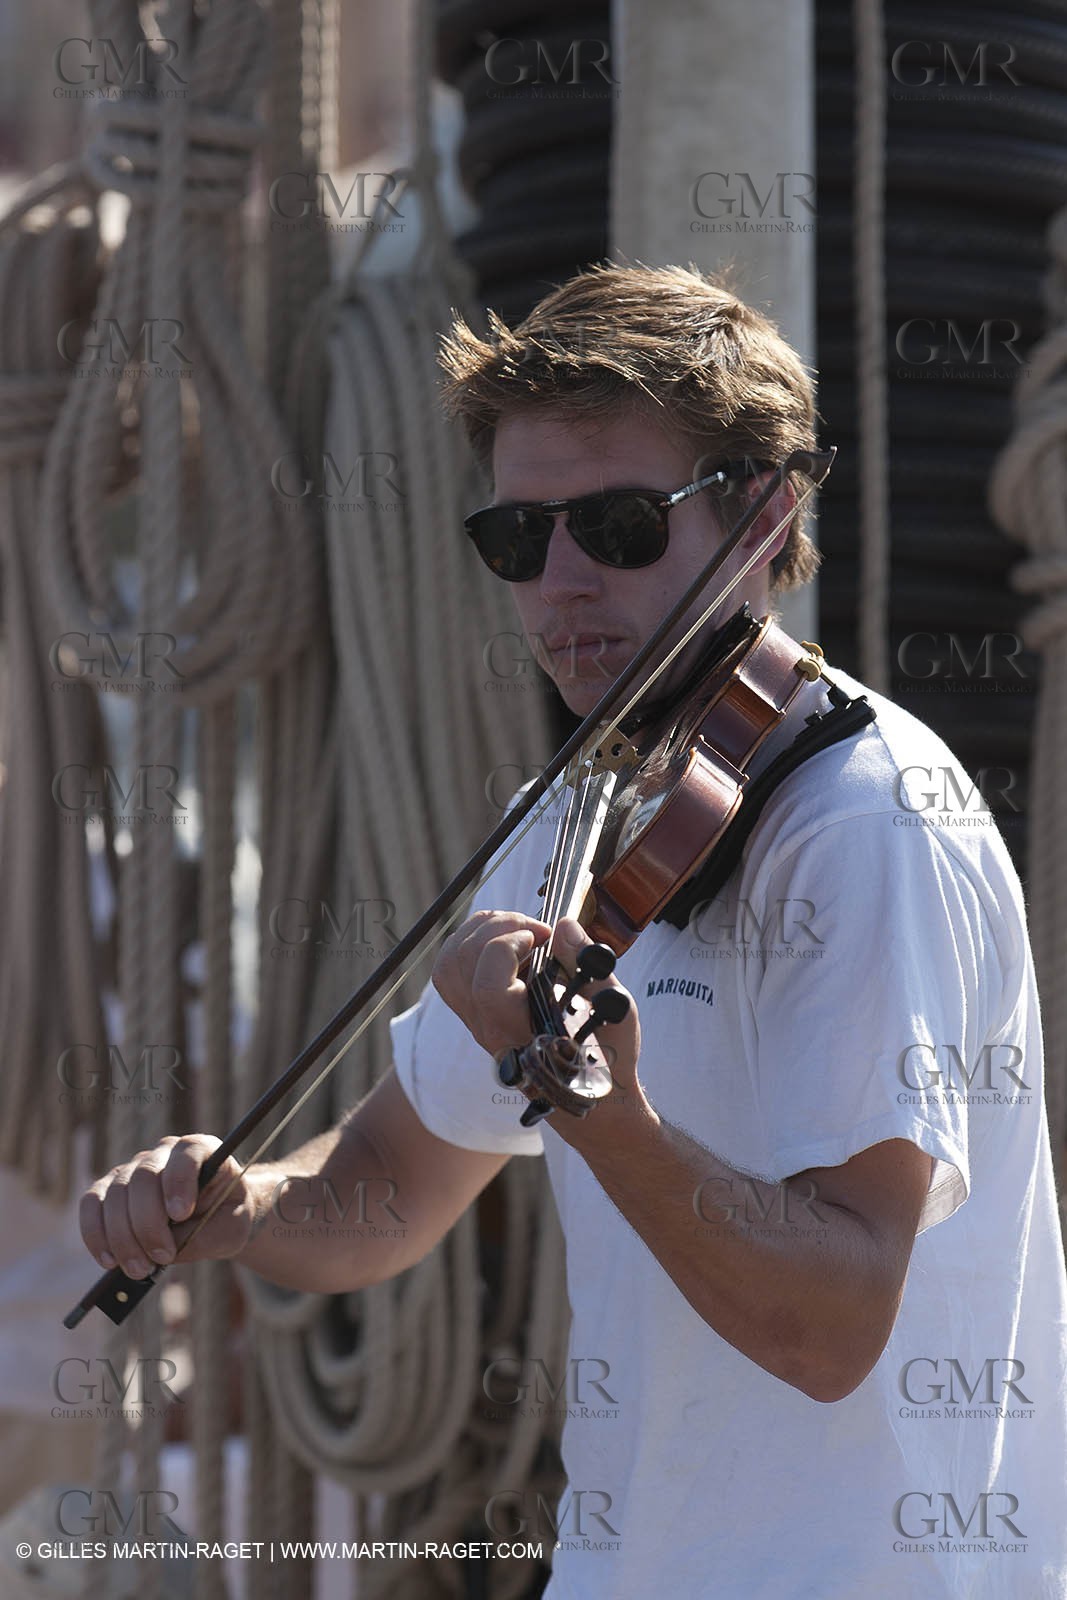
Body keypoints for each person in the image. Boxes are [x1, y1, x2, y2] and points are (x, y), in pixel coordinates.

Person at [80, 265, 1067, 1598]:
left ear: (766, 513)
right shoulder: (581, 810)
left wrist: (593, 1103)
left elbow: (832, 1321)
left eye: (613, 526)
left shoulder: (869, 823)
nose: (557, 587)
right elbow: (389, 1186)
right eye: (515, 541)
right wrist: (235, 1207)